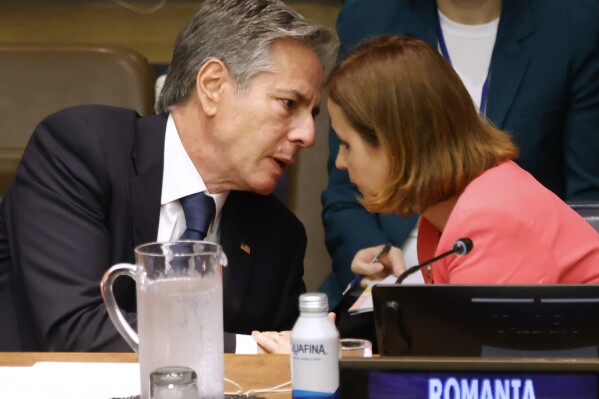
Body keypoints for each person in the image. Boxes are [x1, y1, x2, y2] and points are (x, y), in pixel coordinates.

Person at [0, 0, 336, 354]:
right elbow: (75, 331)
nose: (308, 135)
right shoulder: (81, 149)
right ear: (212, 86)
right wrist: (253, 350)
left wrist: (312, 349)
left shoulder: (278, 236)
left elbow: (284, 366)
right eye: (288, 104)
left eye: (312, 114)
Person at [320, 0, 599, 336]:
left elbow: (468, 375)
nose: (339, 161)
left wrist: (329, 367)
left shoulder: (490, 219)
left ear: (397, 144)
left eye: (347, 144)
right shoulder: (442, 218)